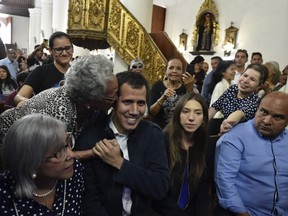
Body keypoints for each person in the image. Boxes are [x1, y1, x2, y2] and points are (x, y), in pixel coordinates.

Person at [77, 71, 169, 215]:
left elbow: (160, 187)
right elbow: (90, 203)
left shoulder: (153, 134)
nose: (134, 111)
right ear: (114, 102)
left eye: (141, 103)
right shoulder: (90, 138)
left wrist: (120, 163)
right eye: (127, 102)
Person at [0, 54, 118, 160]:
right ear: (90, 99)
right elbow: (60, 156)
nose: (116, 99)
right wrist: (94, 152)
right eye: (112, 97)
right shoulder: (57, 109)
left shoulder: (93, 108)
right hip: (11, 148)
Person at [214, 91, 288, 216]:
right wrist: (242, 213)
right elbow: (225, 183)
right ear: (256, 109)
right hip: (244, 212)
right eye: (263, 112)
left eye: (277, 117)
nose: (267, 121)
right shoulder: (235, 138)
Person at [0, 114, 84, 215]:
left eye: (67, 144)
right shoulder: (4, 195)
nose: (71, 155)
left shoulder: (74, 171)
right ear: (31, 163)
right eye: (58, 152)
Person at [154, 92, 211, 216]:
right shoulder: (163, 140)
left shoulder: (205, 145)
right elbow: (156, 190)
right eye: (185, 111)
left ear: (203, 119)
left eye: (198, 113)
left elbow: (203, 187)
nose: (191, 118)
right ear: (177, 115)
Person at [14, 31, 74, 106]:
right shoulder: (41, 71)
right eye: (59, 49)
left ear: (72, 48)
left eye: (68, 48)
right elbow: (19, 96)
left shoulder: (78, 72)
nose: (64, 53)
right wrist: (29, 102)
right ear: (51, 51)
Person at [209, 63, 268, 134]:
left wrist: (227, 124)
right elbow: (215, 107)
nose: (245, 81)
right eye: (245, 75)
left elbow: (238, 114)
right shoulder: (233, 89)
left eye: (252, 79)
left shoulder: (255, 101)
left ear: (259, 85)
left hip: (241, 139)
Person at [149, 57, 196, 128]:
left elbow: (191, 110)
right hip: (158, 129)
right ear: (166, 71)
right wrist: (163, 97)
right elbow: (152, 112)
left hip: (178, 129)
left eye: (178, 68)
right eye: (171, 68)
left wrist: (189, 88)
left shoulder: (185, 87)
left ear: (183, 72)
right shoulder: (157, 86)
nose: (174, 71)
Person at [208, 60, 236, 135]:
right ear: (223, 72)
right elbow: (217, 105)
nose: (234, 72)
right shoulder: (220, 85)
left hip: (227, 119)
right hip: (218, 120)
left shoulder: (233, 85)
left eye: (234, 69)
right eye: (231, 69)